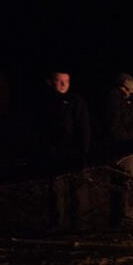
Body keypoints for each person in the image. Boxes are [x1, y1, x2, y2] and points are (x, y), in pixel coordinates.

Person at [41, 70, 91, 231]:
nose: (63, 85)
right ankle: (58, 224)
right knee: (56, 191)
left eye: (66, 81)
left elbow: (84, 129)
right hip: (55, 155)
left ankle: (81, 224)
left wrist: (83, 151)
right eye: (59, 81)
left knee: (79, 191)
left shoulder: (76, 101)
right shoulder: (47, 102)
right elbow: (42, 130)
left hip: (75, 154)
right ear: (51, 82)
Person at [106, 72, 133, 227]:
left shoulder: (119, 101)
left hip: (124, 146)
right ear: (123, 87)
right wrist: (127, 143)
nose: (129, 95)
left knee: (124, 181)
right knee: (129, 180)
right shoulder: (115, 101)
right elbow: (116, 126)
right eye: (128, 91)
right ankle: (126, 217)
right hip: (124, 148)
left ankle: (120, 216)